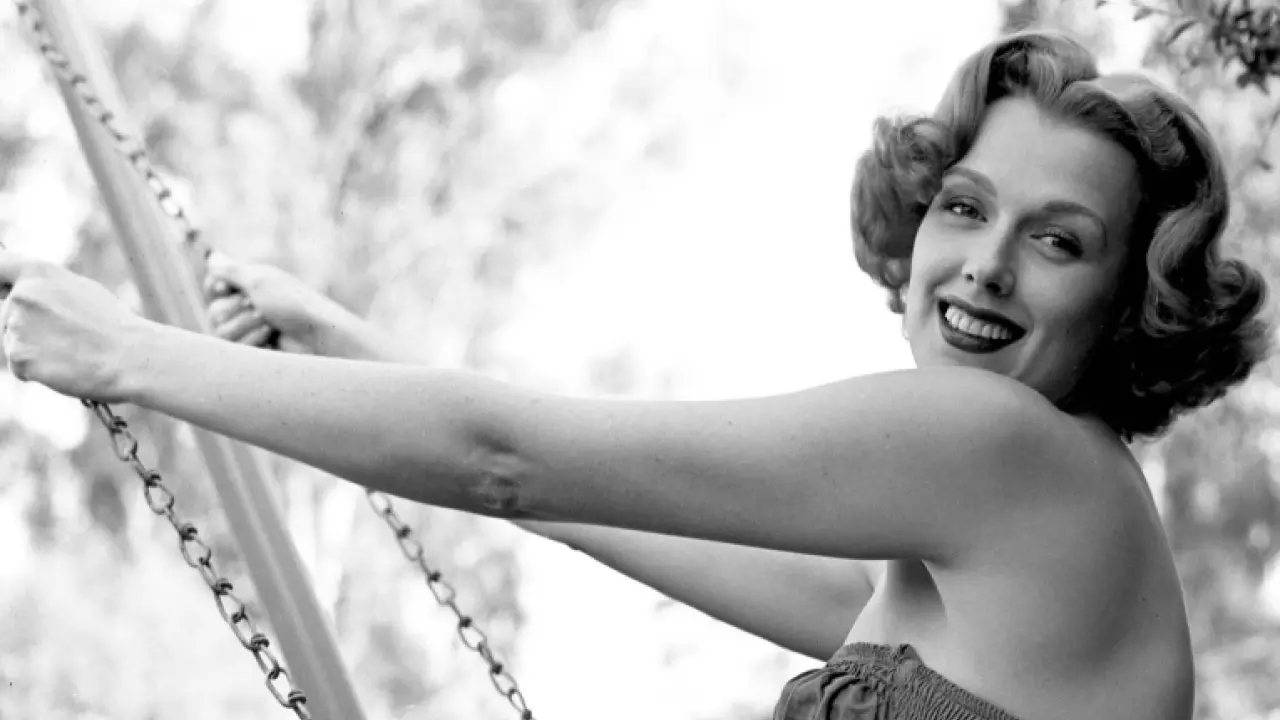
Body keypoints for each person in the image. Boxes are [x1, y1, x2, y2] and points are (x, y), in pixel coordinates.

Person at [0, 29, 1271, 720]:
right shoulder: (986, 550)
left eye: (1057, 241)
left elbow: (505, 463)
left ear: (1130, 300)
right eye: (964, 205)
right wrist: (354, 346)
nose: (983, 265)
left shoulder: (1001, 453)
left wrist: (126, 353)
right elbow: (590, 503)